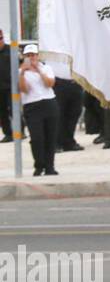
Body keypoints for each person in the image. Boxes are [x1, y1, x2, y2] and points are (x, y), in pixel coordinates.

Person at [17, 44, 58, 176]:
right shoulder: (20, 71)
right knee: (37, 137)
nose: (32, 58)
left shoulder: (46, 68)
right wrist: (23, 72)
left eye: (33, 55)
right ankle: (39, 165)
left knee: (50, 136)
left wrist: (39, 71)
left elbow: (50, 84)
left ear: (38, 55)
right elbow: (24, 89)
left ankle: (50, 166)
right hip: (32, 105)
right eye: (28, 55)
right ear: (24, 57)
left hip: (49, 102)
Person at [49, 60, 84, 152]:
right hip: (59, 83)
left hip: (75, 82)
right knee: (59, 114)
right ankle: (56, 143)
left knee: (74, 113)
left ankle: (69, 142)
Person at [0, 31, 12, 142]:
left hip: (11, 86)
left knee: (13, 109)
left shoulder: (11, 50)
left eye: (0, 39)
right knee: (2, 111)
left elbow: (21, 63)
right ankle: (8, 134)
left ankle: (20, 131)